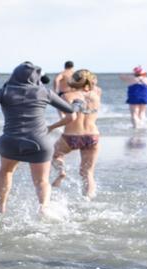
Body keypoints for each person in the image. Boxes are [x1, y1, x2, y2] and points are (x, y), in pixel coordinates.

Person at [0, 62, 75, 214]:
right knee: (42, 181)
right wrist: (76, 104)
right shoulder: (45, 92)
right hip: (39, 141)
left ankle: (1, 206)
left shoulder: (5, 91)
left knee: (6, 172)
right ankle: (43, 208)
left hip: (11, 141)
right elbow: (70, 110)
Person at [50, 69, 102, 198]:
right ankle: (88, 199)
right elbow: (94, 87)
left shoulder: (66, 96)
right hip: (92, 136)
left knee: (56, 155)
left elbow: (67, 117)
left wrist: (51, 127)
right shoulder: (96, 95)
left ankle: (61, 171)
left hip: (71, 136)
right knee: (88, 173)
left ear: (73, 80)